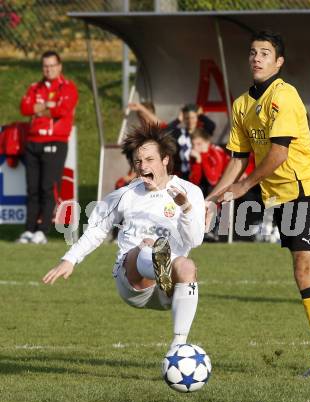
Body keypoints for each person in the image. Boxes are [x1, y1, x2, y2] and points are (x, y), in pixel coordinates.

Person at [205, 30, 310, 377]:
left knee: (304, 271)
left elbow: (278, 152)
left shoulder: (284, 96)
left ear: (278, 62)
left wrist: (244, 187)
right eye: (253, 52)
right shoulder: (242, 104)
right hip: (283, 197)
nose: (257, 58)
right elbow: (237, 158)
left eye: (265, 53)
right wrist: (210, 199)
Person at [43, 122, 205, 350]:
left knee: (187, 266)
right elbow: (97, 229)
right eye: (138, 161)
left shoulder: (190, 192)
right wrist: (70, 259)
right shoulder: (125, 194)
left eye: (149, 160)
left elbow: (195, 240)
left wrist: (186, 207)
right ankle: (158, 265)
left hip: (170, 291)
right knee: (147, 245)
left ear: (165, 160)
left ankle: (178, 348)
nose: (142, 166)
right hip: (132, 281)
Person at [17, 50, 78, 244]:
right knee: (32, 188)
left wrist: (41, 108)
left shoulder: (68, 87)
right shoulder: (35, 87)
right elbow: (25, 107)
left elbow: (61, 109)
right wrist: (47, 107)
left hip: (55, 141)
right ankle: (29, 229)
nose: (49, 69)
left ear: (59, 66)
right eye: (45, 66)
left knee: (48, 187)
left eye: (52, 65)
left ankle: (42, 231)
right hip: (33, 142)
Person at [167, 104, 216, 180]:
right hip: (183, 174)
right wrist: (178, 120)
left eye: (193, 117)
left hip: (202, 173)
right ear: (183, 119)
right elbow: (165, 132)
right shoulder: (179, 133)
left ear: (197, 118)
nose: (190, 121)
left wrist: (201, 115)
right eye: (187, 118)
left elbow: (211, 125)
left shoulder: (202, 132)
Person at [189, 128, 230, 197]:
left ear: (207, 142)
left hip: (223, 184)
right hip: (207, 186)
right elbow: (194, 182)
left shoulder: (216, 152)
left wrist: (203, 157)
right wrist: (198, 162)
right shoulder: (195, 155)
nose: (195, 147)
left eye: (199, 144)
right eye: (193, 144)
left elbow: (213, 180)